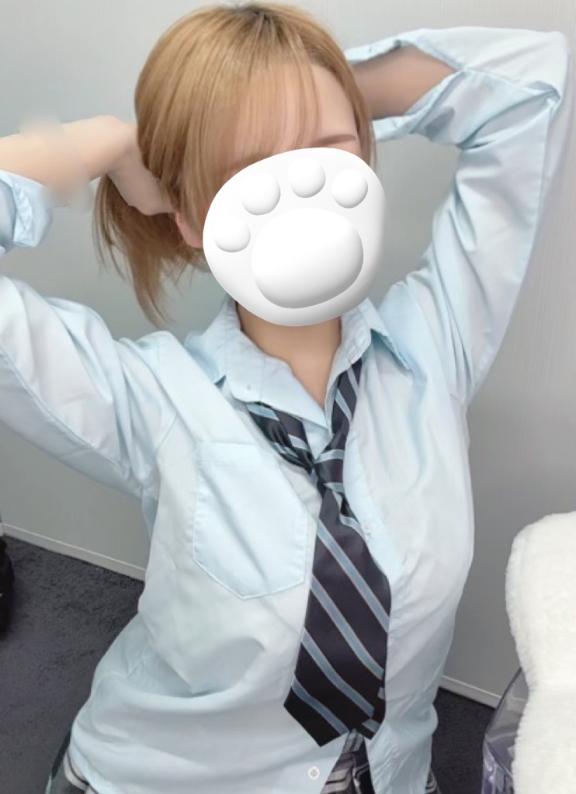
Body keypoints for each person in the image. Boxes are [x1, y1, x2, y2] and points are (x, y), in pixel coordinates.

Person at [0, 3, 571, 793]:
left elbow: (527, 84)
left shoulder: (436, 344)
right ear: (189, 217)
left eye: (328, 153)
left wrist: (309, 92)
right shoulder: (146, 398)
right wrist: (101, 144)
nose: (300, 192)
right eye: (249, 170)